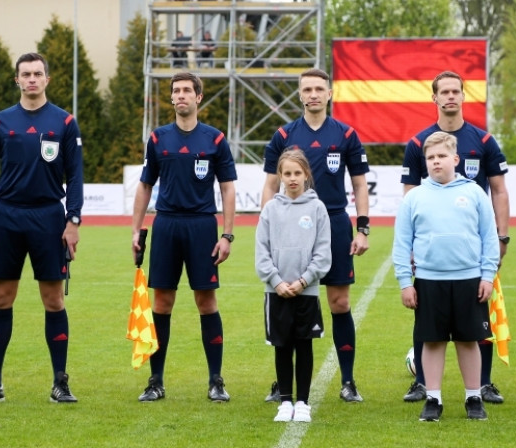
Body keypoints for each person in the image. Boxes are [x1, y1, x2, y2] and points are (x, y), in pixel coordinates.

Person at [0, 52, 83, 404]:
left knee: (53, 299)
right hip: (8, 218)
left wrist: (73, 220)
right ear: (17, 80)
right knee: (2, 298)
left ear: (47, 79)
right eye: (25, 74)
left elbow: (75, 176)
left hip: (49, 218)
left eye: (38, 74)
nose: (32, 79)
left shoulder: (64, 122)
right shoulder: (0, 123)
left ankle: (60, 382)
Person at [400, 70, 510, 404]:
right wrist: (413, 249)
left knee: (479, 314)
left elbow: (499, 191)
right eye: (443, 92)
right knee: (427, 317)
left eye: (455, 91)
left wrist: (501, 238)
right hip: (432, 254)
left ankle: (484, 384)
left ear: (464, 96)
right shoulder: (419, 143)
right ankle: (422, 383)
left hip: (473, 249)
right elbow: (410, 194)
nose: (450, 96)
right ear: (434, 98)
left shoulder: (484, 141)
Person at [261, 68, 370, 403]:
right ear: (299, 94)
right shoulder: (283, 134)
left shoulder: (346, 134)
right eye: (306, 89)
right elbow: (269, 184)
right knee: (288, 302)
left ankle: (348, 381)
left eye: (318, 89)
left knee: (339, 303)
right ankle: (283, 383)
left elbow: (359, 183)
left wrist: (362, 227)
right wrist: (269, 224)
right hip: (290, 226)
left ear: (329, 93)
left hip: (335, 222)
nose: (313, 95)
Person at [131, 71, 237, 403]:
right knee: (161, 303)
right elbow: (145, 185)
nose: (180, 96)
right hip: (167, 225)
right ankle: (155, 381)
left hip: (202, 226)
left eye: (187, 91)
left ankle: (216, 381)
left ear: (198, 97)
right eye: (175, 91)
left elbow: (228, 187)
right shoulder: (158, 138)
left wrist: (227, 234)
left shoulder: (215, 139)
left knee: (206, 302)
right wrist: (136, 229)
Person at [393, 131, 499, 421]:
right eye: (430, 157)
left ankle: (473, 398)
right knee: (432, 341)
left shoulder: (475, 192)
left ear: (456, 158)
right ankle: (433, 399)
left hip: (469, 280)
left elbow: (489, 237)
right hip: (428, 281)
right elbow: (401, 244)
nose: (436, 161)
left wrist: (487, 275)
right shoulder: (414, 197)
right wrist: (405, 282)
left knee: (469, 341)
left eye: (441, 156)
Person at [255, 149, 331, 423]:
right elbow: (261, 252)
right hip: (276, 292)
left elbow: (323, 253)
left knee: (304, 345)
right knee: (282, 346)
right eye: (287, 173)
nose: (292, 178)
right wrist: (276, 281)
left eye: (297, 173)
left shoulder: (317, 208)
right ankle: (285, 401)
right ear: (280, 176)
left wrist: (303, 281)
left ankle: (303, 403)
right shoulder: (270, 210)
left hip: (306, 291)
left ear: (306, 175)